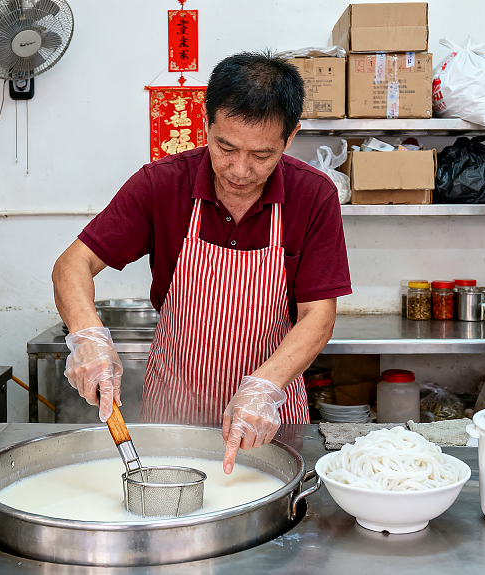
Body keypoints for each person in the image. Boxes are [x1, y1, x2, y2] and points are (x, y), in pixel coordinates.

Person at [52, 51, 351, 474]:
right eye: (225, 147)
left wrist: (264, 387)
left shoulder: (313, 195)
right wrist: (88, 337)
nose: (240, 170)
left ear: (290, 137)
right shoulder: (161, 184)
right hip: (171, 411)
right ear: (206, 123)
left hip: (267, 415)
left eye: (262, 155)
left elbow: (318, 314)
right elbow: (72, 264)